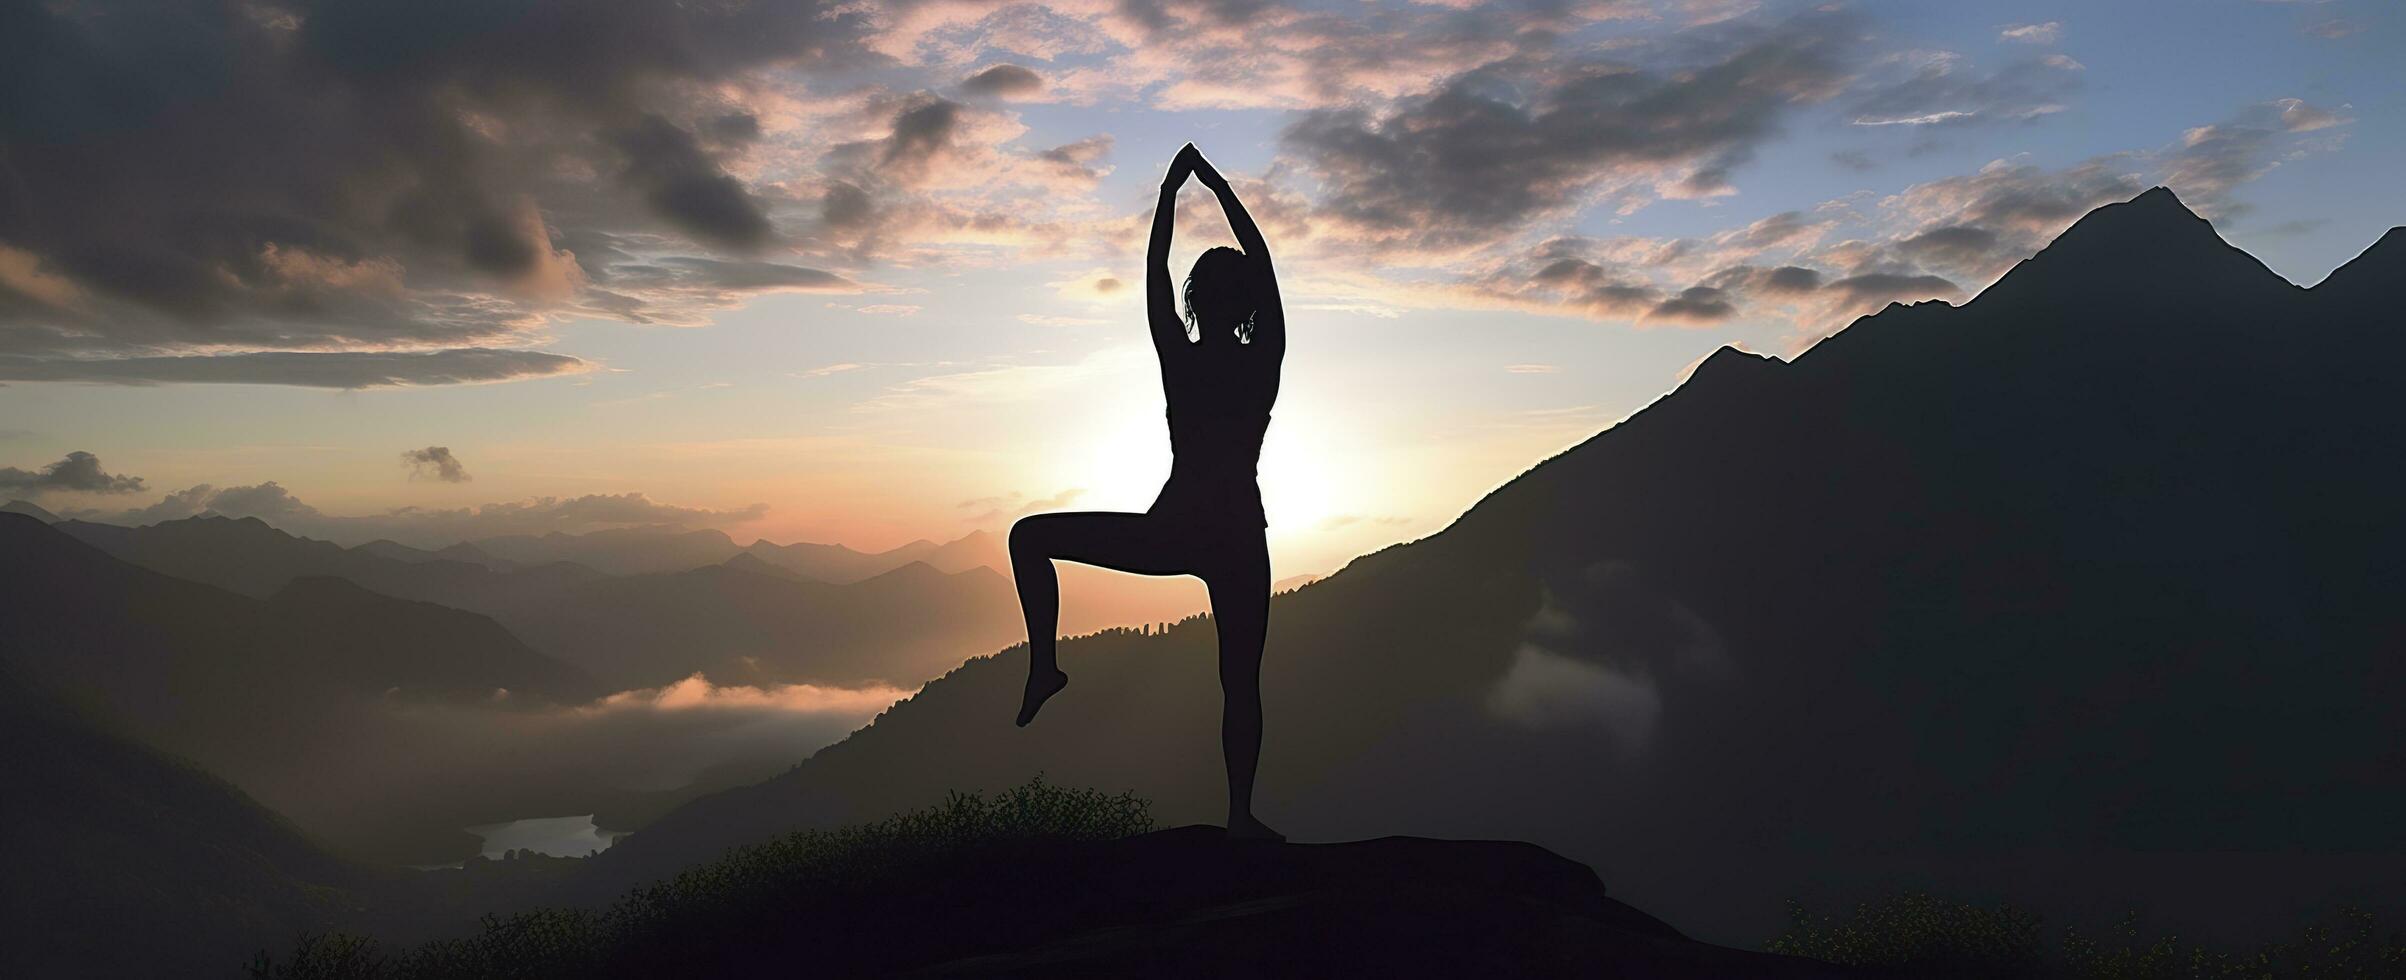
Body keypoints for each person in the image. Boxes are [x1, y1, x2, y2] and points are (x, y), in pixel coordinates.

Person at [1008, 142, 1286, 842]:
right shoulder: (1264, 360)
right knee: (1241, 683)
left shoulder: (1180, 356)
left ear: (1197, 302)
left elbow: (1153, 272)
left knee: (1028, 537)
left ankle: (1045, 666)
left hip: (1176, 528)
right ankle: (1239, 814)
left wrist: (1171, 193)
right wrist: (1219, 188)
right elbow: (1266, 265)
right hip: (1238, 537)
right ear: (1247, 303)